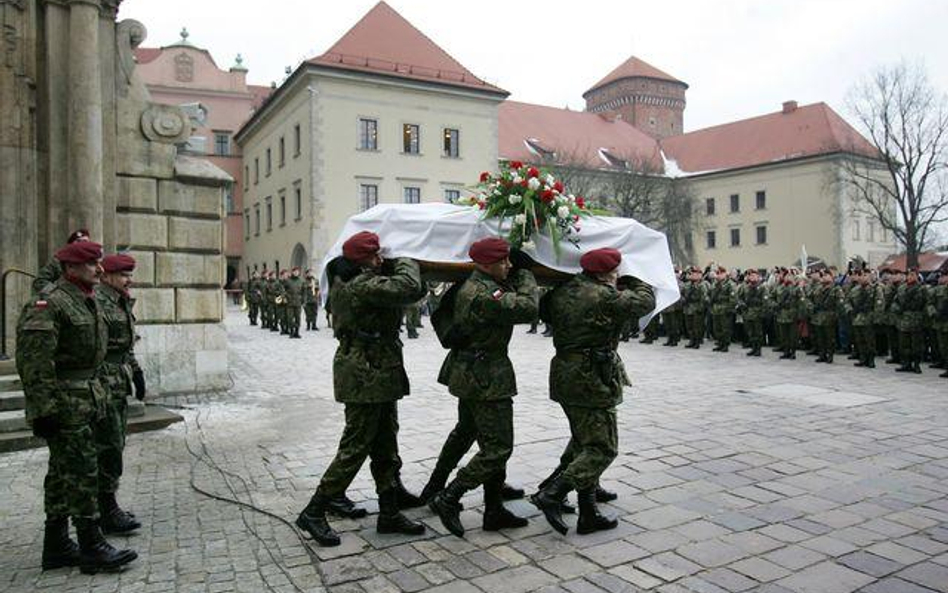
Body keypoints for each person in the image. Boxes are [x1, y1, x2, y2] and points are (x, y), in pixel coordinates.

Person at [295, 231, 427, 547]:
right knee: (356, 445)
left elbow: (416, 291)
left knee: (385, 444)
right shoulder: (359, 285)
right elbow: (408, 286)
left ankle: (389, 512)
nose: (381, 260)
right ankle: (314, 510)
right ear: (361, 261)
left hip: (377, 368)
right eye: (375, 256)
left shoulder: (363, 279)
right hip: (364, 371)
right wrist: (406, 255)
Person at [16, 240, 138, 574]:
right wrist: (43, 410)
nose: (99, 269)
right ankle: (91, 545)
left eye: (99, 264)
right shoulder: (49, 303)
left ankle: (55, 545)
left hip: (88, 398)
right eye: (90, 264)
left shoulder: (84, 300)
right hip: (66, 403)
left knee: (63, 473)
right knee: (82, 471)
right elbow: (34, 362)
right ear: (71, 268)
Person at [532, 248, 654, 535]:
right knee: (601, 447)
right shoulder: (604, 295)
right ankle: (552, 493)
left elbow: (544, 308)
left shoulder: (561, 291)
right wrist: (636, 277)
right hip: (591, 377)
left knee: (583, 439)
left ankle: (588, 513)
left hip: (564, 373)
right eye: (614, 271)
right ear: (605, 273)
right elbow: (645, 301)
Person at [428, 237, 537, 538]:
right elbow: (527, 308)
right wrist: (527, 273)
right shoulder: (482, 293)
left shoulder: (480, 284)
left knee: (478, 435)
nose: (510, 265)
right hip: (486, 377)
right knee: (498, 447)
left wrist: (514, 274)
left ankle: (494, 509)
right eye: (504, 261)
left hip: (475, 373)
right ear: (486, 264)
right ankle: (449, 497)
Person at [94, 254, 145, 535]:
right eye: (124, 275)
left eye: (130, 274)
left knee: (114, 445)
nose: (129, 280)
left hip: (118, 381)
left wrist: (136, 372)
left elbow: (125, 345)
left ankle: (107, 506)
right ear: (107, 275)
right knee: (107, 447)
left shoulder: (120, 300)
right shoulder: (99, 302)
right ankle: (105, 509)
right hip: (103, 384)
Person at [32, 229, 92, 295]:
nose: (83, 244)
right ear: (71, 245)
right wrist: (58, 292)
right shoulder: (58, 261)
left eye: (86, 242)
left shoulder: (92, 264)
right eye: (79, 241)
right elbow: (39, 282)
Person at [893, 267, 929, 374]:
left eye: (913, 275)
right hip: (904, 319)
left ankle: (916, 364)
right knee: (904, 344)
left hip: (916, 319)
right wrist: (897, 309)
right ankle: (906, 363)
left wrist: (924, 316)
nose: (910, 277)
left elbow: (927, 303)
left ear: (917, 276)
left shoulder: (922, 289)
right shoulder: (901, 288)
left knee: (916, 345)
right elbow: (895, 302)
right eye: (908, 275)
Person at [848, 265, 884, 368]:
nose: (863, 277)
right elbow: (848, 302)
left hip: (869, 318)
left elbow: (879, 304)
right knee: (860, 340)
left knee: (870, 341)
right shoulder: (854, 290)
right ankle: (862, 358)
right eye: (861, 275)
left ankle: (871, 359)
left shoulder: (875, 289)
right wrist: (850, 311)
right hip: (857, 318)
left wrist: (876, 318)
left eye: (865, 275)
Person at [810, 269, 844, 363]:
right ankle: (822, 354)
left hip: (830, 315)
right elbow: (811, 298)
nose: (824, 277)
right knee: (820, 337)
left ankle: (830, 355)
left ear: (832, 277)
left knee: (830, 338)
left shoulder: (836, 289)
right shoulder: (818, 288)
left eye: (826, 275)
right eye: (823, 275)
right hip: (819, 316)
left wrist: (837, 315)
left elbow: (840, 303)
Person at [737, 268, 767, 356]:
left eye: (754, 275)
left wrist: (762, 313)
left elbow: (765, 301)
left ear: (758, 277)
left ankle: (758, 349)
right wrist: (742, 304)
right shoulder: (746, 287)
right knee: (750, 332)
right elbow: (739, 298)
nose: (752, 277)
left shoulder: (762, 288)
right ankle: (753, 348)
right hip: (748, 313)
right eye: (750, 276)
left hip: (757, 313)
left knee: (758, 333)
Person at [709, 266, 735, 352]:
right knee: (717, 328)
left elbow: (733, 298)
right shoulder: (715, 284)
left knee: (725, 329)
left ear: (725, 274)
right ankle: (720, 343)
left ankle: (725, 345)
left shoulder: (730, 284)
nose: (718, 275)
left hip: (725, 309)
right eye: (717, 273)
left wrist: (729, 309)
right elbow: (711, 296)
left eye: (720, 273)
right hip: (716, 309)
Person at [682, 266, 708, 349]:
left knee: (697, 327)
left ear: (700, 275)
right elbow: (682, 294)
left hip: (697, 308)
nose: (693, 275)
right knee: (689, 326)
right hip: (688, 308)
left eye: (696, 273)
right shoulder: (687, 284)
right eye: (692, 273)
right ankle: (691, 341)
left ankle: (697, 342)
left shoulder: (702, 285)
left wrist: (701, 308)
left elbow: (704, 298)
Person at [930, 272, 948, 378]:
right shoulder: (938, 289)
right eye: (941, 276)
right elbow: (930, 302)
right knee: (943, 346)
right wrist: (934, 313)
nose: (942, 278)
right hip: (940, 321)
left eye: (944, 276)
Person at [284, 267, 305, 339]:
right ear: (292, 272)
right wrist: (287, 296)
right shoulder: (288, 281)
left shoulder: (301, 281)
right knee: (290, 318)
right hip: (290, 302)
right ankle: (291, 331)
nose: (296, 273)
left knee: (298, 318)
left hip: (298, 302)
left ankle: (297, 332)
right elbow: (283, 290)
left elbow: (303, 291)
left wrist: (303, 300)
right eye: (295, 271)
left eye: (297, 271)